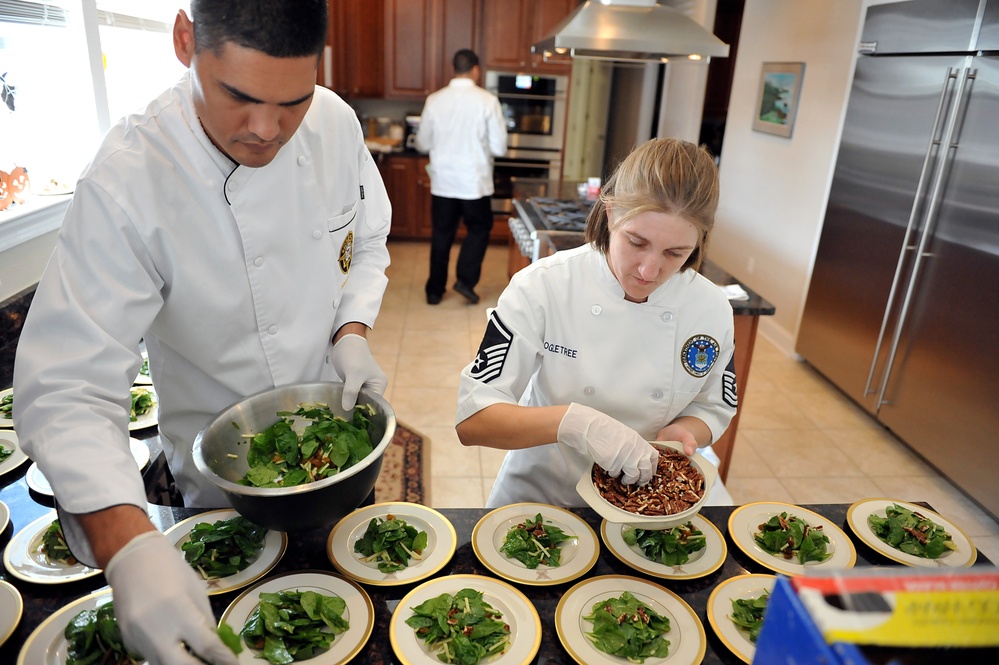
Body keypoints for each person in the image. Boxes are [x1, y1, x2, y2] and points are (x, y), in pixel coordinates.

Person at [12, 1, 390, 663]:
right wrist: (127, 544)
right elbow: (67, 386)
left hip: (338, 452)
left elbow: (367, 240)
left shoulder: (333, 124)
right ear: (186, 41)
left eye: (291, 102)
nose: (266, 130)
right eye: (238, 96)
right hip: (221, 485)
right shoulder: (128, 177)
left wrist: (350, 331)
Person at [455, 138, 737, 508]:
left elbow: (713, 405)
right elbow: (474, 419)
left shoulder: (710, 307)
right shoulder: (543, 286)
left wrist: (684, 431)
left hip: (650, 499)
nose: (649, 270)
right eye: (636, 242)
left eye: (675, 253)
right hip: (547, 492)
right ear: (610, 213)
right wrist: (574, 424)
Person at [416, 48, 507, 305]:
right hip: (474, 182)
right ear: (476, 70)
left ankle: (434, 291)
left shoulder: (435, 100)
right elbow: (499, 147)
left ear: (453, 69)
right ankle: (465, 281)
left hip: (443, 182)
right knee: (478, 229)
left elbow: (423, 142)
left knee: (442, 233)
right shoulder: (487, 101)